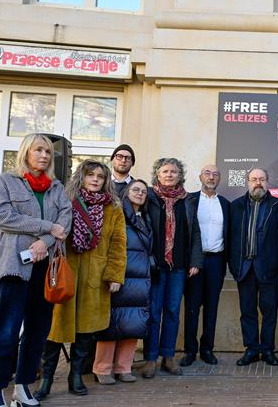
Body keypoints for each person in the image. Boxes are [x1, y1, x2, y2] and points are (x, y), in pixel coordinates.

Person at [0, 134, 71, 407]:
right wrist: (47, 228)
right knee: (7, 331)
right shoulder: (6, 182)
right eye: (38, 150)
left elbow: (65, 224)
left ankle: (22, 388)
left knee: (37, 332)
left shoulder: (58, 189)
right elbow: (4, 217)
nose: (45, 155)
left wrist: (43, 243)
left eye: (48, 151)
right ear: (26, 152)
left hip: (46, 271)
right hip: (14, 268)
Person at [37, 160, 126, 397]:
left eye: (100, 176)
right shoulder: (66, 201)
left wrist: (114, 274)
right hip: (67, 272)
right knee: (55, 329)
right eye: (90, 175)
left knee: (86, 331)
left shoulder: (113, 208)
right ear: (81, 177)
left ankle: (75, 376)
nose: (95, 179)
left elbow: (118, 244)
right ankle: (46, 379)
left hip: (96, 277)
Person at [142, 158, 203, 378]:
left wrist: (195, 261)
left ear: (180, 176)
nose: (169, 175)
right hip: (155, 265)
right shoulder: (148, 197)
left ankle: (168, 356)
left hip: (178, 266)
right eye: (165, 171)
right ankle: (150, 358)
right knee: (154, 312)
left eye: (174, 172)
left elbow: (195, 231)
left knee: (172, 312)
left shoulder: (187, 201)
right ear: (157, 174)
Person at [92, 179, 153, 384]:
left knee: (132, 322)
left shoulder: (145, 216)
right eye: (136, 189)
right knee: (111, 323)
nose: (140, 194)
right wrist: (112, 274)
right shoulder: (116, 212)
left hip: (140, 278)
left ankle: (124, 367)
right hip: (121, 275)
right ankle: (102, 369)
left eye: (144, 191)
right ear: (127, 192)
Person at [228, 168, 278, 366]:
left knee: (269, 312)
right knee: (248, 311)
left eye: (261, 179)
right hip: (244, 268)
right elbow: (229, 238)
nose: (257, 183)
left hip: (269, 268)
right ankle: (251, 349)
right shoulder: (235, 207)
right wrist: (233, 265)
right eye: (254, 179)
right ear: (247, 182)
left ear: (267, 182)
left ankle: (267, 350)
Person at [181, 165, 230, 366]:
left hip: (217, 260)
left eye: (215, 174)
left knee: (212, 307)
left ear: (219, 179)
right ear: (200, 176)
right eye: (207, 173)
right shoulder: (188, 200)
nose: (211, 177)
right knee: (192, 307)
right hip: (194, 262)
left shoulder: (226, 204)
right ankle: (190, 351)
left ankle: (207, 349)